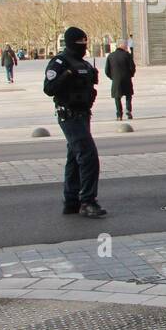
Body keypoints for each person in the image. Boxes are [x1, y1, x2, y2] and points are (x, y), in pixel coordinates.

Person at [43, 26, 106, 219]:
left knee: (74, 158)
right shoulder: (60, 62)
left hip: (83, 114)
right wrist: (67, 74)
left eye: (85, 42)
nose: (83, 46)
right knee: (88, 156)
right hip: (68, 115)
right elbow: (49, 88)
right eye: (80, 43)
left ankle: (71, 201)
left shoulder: (84, 64)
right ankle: (87, 201)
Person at [106, 41, 137, 120]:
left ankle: (119, 114)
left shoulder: (110, 56)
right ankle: (128, 110)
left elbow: (107, 70)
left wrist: (112, 77)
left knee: (117, 97)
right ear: (123, 47)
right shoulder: (127, 55)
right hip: (126, 79)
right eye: (126, 47)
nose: (127, 48)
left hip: (116, 80)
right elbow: (132, 67)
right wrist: (130, 75)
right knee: (128, 95)